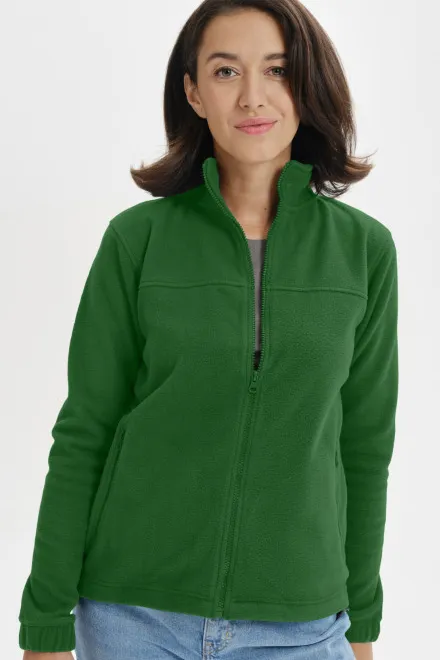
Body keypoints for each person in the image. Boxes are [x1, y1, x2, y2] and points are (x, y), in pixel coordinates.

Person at [19, 1, 399, 659]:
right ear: (193, 92)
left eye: (277, 70)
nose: (252, 96)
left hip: (300, 624)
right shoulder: (137, 241)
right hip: (132, 618)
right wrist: (45, 620)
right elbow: (84, 433)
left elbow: (366, 446)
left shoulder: (364, 252)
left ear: (307, 84)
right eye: (226, 71)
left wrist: (362, 624)